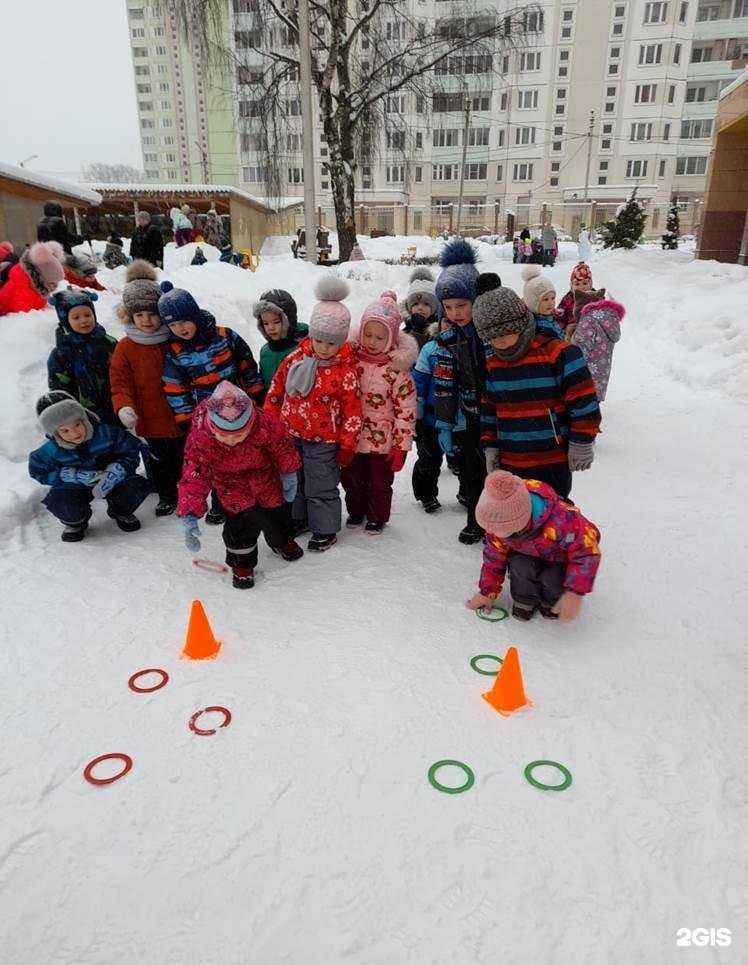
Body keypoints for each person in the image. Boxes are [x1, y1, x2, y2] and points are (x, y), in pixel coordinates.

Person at [474, 285, 601, 501]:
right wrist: (491, 447)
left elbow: (584, 402)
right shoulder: (493, 365)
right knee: (518, 522)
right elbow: (489, 412)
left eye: (505, 332)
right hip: (511, 461)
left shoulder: (559, 354)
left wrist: (581, 441)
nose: (500, 341)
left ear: (521, 325)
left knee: (552, 515)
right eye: (493, 337)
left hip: (552, 460)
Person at [264, 276, 362, 553]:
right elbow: (276, 390)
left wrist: (346, 446)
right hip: (291, 434)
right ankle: (301, 518)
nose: (323, 347)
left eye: (331, 343)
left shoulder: (345, 370)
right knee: (296, 481)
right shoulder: (296, 358)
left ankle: (325, 528)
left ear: (341, 341)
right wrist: (270, 423)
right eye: (318, 339)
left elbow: (353, 413)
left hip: (324, 441)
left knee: (321, 485)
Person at [176, 380, 304, 589]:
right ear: (213, 426)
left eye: (239, 434)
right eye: (226, 435)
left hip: (266, 480)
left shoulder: (264, 424)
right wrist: (189, 513)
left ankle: (281, 541)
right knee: (241, 528)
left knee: (278, 516)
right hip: (231, 488)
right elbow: (194, 475)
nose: (233, 440)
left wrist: (289, 472)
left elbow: (282, 446)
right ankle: (242, 564)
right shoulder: (202, 440)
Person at [465, 470, 601, 622]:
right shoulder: (497, 528)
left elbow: (586, 552)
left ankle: (553, 601)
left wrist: (575, 592)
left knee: (553, 576)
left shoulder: (563, 520)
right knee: (521, 565)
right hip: (526, 553)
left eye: (500, 530)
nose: (492, 533)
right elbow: (493, 558)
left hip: (559, 558)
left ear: (520, 522)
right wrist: (487, 592)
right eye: (489, 528)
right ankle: (525, 599)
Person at [109, 261, 184, 516]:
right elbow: (120, 382)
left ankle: (188, 493)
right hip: (150, 419)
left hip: (180, 414)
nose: (147, 320)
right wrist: (124, 406)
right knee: (158, 460)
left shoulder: (174, 338)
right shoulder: (125, 347)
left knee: (185, 457)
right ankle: (166, 495)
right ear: (130, 316)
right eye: (139, 315)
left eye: (152, 314)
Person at [29, 391, 151, 541]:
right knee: (60, 501)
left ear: (84, 418)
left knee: (137, 485)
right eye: (65, 431)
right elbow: (38, 471)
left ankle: (120, 510)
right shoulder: (50, 451)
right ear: (54, 433)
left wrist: (118, 469)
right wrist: (66, 475)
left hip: (110, 479)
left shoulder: (106, 433)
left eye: (77, 424)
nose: (74, 433)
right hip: (74, 486)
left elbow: (130, 450)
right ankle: (76, 521)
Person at [343, 291, 417, 533]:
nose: (372, 341)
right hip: (352, 438)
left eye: (380, 337)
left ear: (392, 338)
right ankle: (356, 510)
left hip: (382, 441)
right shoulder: (351, 360)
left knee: (379, 482)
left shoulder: (397, 371)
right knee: (352, 479)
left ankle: (377, 515)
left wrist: (401, 445)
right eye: (368, 334)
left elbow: (406, 410)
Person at [430, 238, 487, 544]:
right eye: (448, 307)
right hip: (470, 415)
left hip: (500, 413)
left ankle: (506, 524)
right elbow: (444, 383)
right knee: (473, 468)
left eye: (462, 305)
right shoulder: (446, 337)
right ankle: (477, 520)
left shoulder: (491, 331)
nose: (455, 312)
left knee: (500, 470)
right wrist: (444, 423)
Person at [47, 288, 117, 425]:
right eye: (76, 317)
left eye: (87, 315)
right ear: (65, 320)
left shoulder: (108, 342)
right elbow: (59, 386)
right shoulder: (61, 354)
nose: (84, 321)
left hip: (113, 404)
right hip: (83, 414)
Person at [252, 289, 309, 390]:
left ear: (289, 320)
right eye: (266, 323)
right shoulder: (266, 352)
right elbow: (266, 382)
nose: (270, 328)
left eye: (276, 322)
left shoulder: (304, 347)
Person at [571, 299, 625, 403]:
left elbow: (581, 344)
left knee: (582, 397)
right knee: (594, 394)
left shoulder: (589, 320)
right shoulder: (612, 321)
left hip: (584, 369)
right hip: (602, 368)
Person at [0, 241, 64, 316]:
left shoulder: (34, 285)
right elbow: (23, 316)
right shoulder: (24, 288)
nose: (54, 286)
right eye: (52, 283)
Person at [521, 266, 563, 338]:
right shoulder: (537, 327)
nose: (551, 303)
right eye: (545, 299)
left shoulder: (550, 315)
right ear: (532, 303)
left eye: (553, 298)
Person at [402, 268, 439, 350]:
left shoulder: (437, 330)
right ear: (409, 308)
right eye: (415, 304)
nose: (420, 308)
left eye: (426, 304)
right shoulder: (406, 329)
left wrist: (419, 332)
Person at [556, 263, 596, 332]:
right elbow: (560, 317)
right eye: (577, 284)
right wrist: (562, 330)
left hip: (591, 336)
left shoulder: (596, 299)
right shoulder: (567, 299)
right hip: (571, 335)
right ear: (572, 286)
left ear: (590, 284)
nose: (581, 287)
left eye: (585, 283)